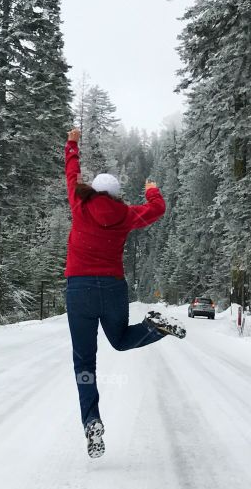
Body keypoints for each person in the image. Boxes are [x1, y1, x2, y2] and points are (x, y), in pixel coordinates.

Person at [63, 127, 185, 459]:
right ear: (116, 196)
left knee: (84, 362)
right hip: (113, 288)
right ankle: (154, 327)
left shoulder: (79, 203)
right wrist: (153, 191)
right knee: (118, 340)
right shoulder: (126, 214)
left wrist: (73, 143)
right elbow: (157, 210)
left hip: (79, 290)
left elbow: (71, 172)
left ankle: (92, 421)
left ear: (93, 192)